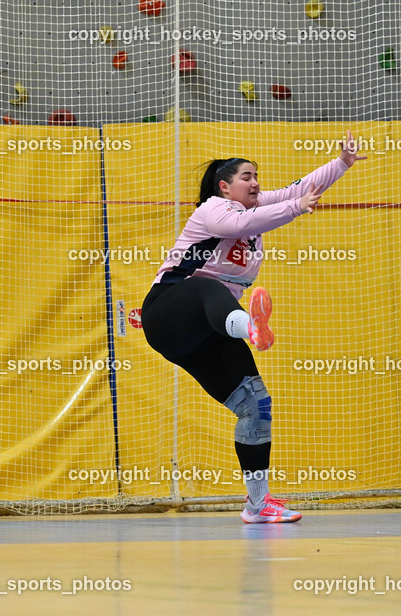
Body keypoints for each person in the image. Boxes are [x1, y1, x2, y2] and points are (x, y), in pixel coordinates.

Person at [141, 132, 366, 523]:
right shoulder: (212, 210)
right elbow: (285, 205)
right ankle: (252, 328)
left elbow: (303, 187)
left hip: (208, 332)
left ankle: (258, 505)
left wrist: (342, 163)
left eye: (257, 176)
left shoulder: (255, 208)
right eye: (247, 176)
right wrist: (297, 206)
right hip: (168, 312)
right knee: (207, 286)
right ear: (225, 186)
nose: (256, 183)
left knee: (256, 406)